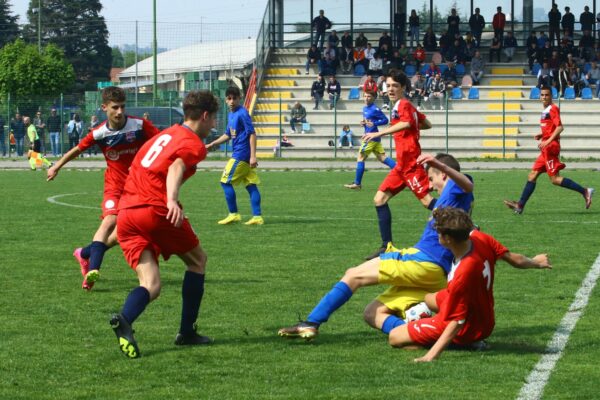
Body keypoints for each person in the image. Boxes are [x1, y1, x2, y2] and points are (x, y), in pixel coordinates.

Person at [277, 153, 474, 341]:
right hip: (434, 273)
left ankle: (311, 322)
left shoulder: (456, 186)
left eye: (431, 178)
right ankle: (435, 337)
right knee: (373, 313)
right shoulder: (451, 201)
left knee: (353, 275)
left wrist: (438, 164)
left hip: (423, 261)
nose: (430, 185)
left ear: (444, 174)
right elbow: (444, 211)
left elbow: (467, 184)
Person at [110, 90, 219, 359]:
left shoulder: (161, 136)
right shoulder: (193, 143)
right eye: (214, 119)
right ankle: (186, 332)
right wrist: (171, 200)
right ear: (204, 116)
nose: (214, 125)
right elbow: (176, 167)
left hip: (127, 213)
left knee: (151, 284)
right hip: (155, 209)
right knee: (198, 261)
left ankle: (125, 319)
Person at [387, 206, 551, 362]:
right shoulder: (480, 238)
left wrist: (431, 356)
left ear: (448, 239)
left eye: (439, 233)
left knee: (395, 337)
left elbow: (458, 321)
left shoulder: (464, 272)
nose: (437, 236)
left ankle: (466, 343)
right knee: (429, 298)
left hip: (471, 327)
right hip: (482, 313)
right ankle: (428, 327)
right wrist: (536, 262)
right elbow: (513, 259)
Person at [47, 86, 160, 290]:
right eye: (115, 107)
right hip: (115, 187)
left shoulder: (139, 125)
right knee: (110, 220)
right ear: (104, 107)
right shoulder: (100, 133)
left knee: (120, 234)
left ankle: (84, 254)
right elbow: (77, 149)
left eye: (122, 107)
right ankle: (93, 270)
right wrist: (57, 166)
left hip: (139, 189)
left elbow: (162, 142)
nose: (119, 112)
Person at [363, 69, 437, 260]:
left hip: (411, 164)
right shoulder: (405, 106)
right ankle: (386, 246)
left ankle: (467, 226)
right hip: (400, 166)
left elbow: (405, 124)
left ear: (403, 87)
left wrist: (378, 133)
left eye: (395, 85)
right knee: (379, 199)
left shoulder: (403, 104)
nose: (391, 89)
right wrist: (414, 123)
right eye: (388, 85)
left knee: (428, 202)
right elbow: (427, 124)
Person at [504, 86, 594, 215]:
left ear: (551, 96)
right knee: (532, 175)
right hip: (546, 148)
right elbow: (551, 128)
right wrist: (542, 136)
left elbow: (560, 128)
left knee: (555, 179)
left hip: (550, 148)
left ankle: (585, 191)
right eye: (542, 95)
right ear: (540, 96)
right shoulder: (545, 110)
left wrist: (547, 141)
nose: (544, 97)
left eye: (547, 95)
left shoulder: (553, 108)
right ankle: (520, 205)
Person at [205, 86, 263, 226]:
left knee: (225, 182)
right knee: (251, 185)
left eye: (234, 98)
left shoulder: (242, 113)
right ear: (225, 100)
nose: (232, 101)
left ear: (239, 99)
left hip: (241, 154)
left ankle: (234, 214)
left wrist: (253, 156)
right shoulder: (231, 114)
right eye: (229, 98)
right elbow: (228, 134)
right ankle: (257, 217)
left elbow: (252, 133)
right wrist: (213, 143)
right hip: (243, 154)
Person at [344, 91, 395, 190]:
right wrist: (364, 123)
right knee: (382, 158)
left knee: (360, 158)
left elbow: (385, 120)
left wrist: (374, 123)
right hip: (373, 137)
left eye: (369, 96)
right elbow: (368, 121)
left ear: (373, 98)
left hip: (370, 138)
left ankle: (357, 183)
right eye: (365, 96)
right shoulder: (365, 108)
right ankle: (403, 173)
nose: (366, 98)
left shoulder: (375, 109)